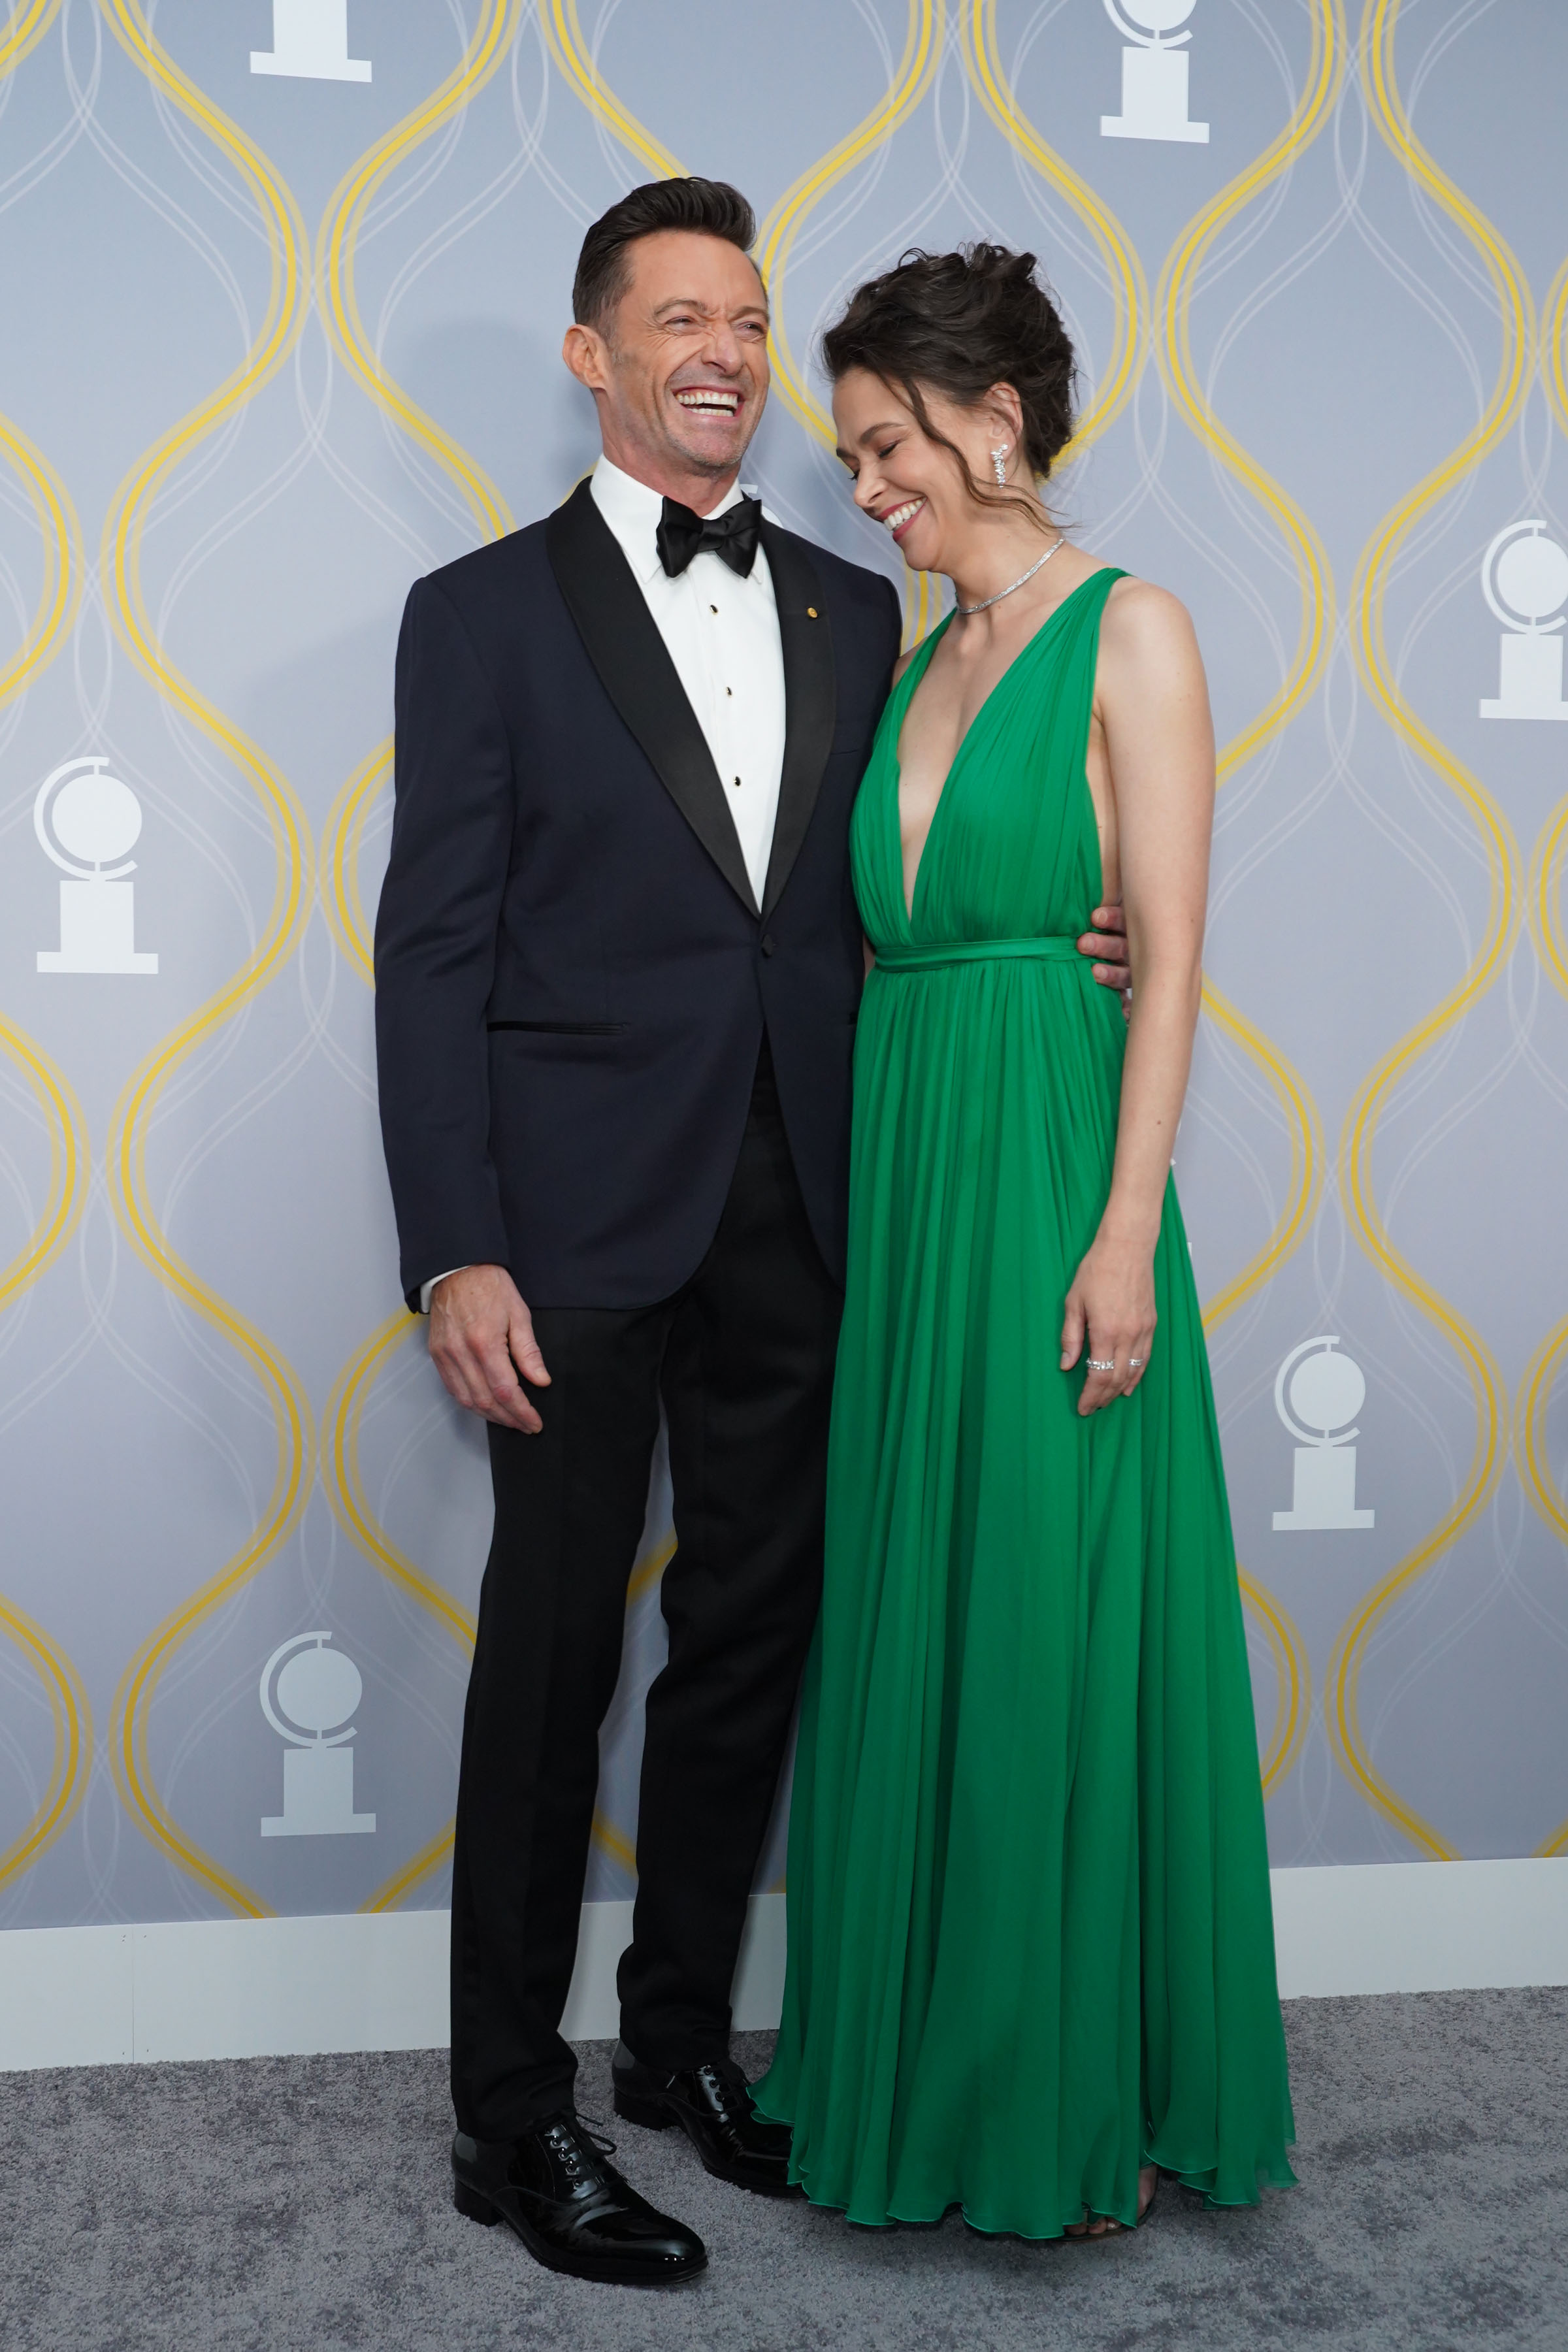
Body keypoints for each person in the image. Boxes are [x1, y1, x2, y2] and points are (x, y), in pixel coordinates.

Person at [374, 184, 1132, 2287]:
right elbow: (428, 951)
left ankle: (679, 2045)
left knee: (749, 1638)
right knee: (551, 1660)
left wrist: (1083, 917)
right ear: (592, 355)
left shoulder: (856, 602)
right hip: (573, 1224)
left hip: (817, 1196)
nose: (721, 347)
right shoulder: (481, 615)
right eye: (677, 314)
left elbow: (932, 853)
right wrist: (456, 1247)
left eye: (748, 315)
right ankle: (509, 2121)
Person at [755, 244, 1296, 2239]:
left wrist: (1126, 1231)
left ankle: (1065, 2085)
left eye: (890, 446)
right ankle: (916, 2060)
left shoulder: (1128, 631)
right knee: (927, 1596)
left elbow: (1164, 966)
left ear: (996, 423)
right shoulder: (914, 662)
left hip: (1053, 1163)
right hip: (911, 1166)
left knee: (1046, 1613)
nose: (869, 486)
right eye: (854, 453)